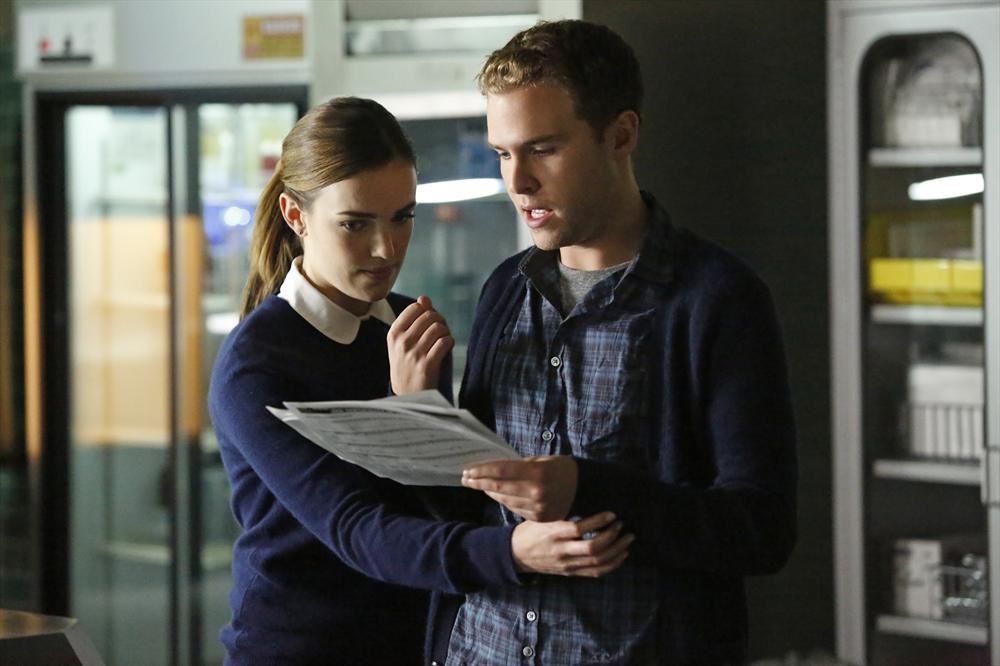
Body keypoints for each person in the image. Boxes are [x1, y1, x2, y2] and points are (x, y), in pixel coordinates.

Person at [208, 96, 634, 665]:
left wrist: (422, 405)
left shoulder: (407, 325)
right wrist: (515, 552)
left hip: (417, 644)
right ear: (295, 215)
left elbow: (447, 509)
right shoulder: (256, 363)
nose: (386, 249)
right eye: (355, 224)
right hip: (298, 650)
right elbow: (357, 529)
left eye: (402, 217)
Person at [427, 20, 798, 665]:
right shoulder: (504, 291)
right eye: (503, 154)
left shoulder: (715, 299)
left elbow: (761, 530)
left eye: (542, 149)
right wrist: (424, 410)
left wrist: (587, 488)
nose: (518, 182)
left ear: (621, 135)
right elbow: (469, 510)